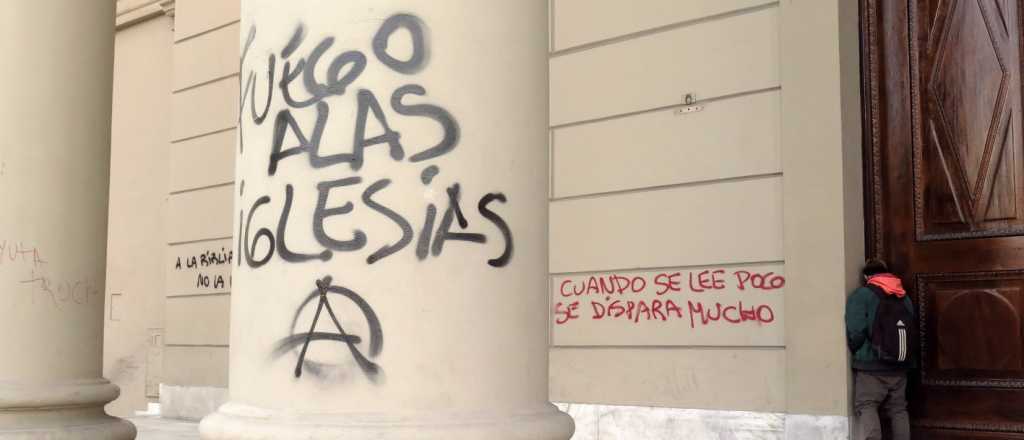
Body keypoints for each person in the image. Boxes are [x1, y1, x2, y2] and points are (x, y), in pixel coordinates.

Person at [845, 259, 914, 440]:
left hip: (871, 365)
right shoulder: (903, 295)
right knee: (898, 409)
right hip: (900, 365)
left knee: (867, 405)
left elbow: (856, 330)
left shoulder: (861, 295)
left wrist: (856, 350)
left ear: (867, 276)